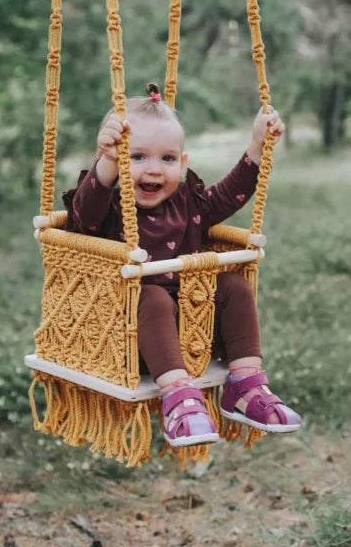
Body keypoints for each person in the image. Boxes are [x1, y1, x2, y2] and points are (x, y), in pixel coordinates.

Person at [63, 83, 302, 447]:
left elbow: (227, 195)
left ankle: (244, 384)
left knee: (234, 285)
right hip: (125, 326)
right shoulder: (108, 205)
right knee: (154, 296)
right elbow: (82, 217)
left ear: (183, 163)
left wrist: (257, 146)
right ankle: (178, 394)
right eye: (136, 157)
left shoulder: (188, 203)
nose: (154, 170)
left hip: (192, 325)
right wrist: (107, 166)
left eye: (168, 159)